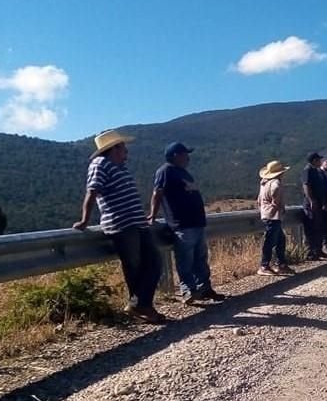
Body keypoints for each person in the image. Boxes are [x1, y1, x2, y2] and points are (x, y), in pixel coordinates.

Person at [73, 130, 165, 324]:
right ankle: (142, 307)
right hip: (121, 224)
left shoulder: (120, 166)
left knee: (154, 262)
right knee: (134, 266)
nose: (126, 151)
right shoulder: (100, 164)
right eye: (123, 147)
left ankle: (138, 304)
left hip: (137, 222)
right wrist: (84, 220)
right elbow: (92, 193)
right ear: (114, 148)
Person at [147, 142, 225, 305]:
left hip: (196, 223)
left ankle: (204, 288)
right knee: (185, 260)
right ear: (175, 155)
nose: (188, 157)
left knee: (200, 259)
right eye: (184, 154)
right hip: (182, 224)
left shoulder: (182, 172)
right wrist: (152, 216)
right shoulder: (165, 171)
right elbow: (157, 193)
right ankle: (188, 290)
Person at [257, 160, 294, 276]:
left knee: (280, 240)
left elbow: (259, 200)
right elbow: (276, 197)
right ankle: (264, 265)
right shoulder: (276, 184)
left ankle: (281, 264)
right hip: (273, 215)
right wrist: (278, 206)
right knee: (270, 240)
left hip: (267, 214)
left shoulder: (264, 183)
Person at [300, 152, 327, 261]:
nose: (320, 161)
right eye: (318, 160)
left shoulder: (315, 171)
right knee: (311, 228)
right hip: (311, 204)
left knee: (319, 227)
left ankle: (318, 250)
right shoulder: (307, 171)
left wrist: (323, 202)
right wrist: (311, 200)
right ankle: (310, 252)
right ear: (314, 160)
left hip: (318, 203)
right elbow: (306, 186)